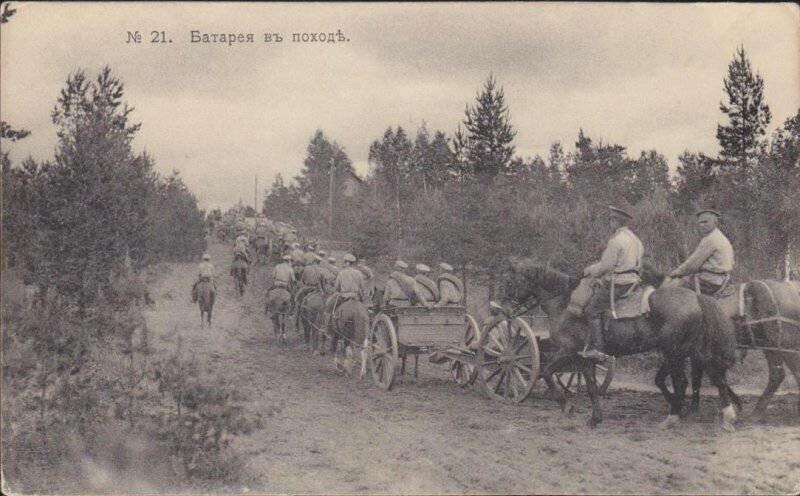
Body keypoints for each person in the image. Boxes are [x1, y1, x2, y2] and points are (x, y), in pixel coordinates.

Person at [580, 206, 644, 361]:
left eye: (611, 220)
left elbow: (606, 266)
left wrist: (590, 270)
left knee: (592, 310)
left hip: (619, 283)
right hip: (633, 282)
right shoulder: (636, 240)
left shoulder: (616, 240)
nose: (610, 223)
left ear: (616, 222)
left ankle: (598, 349)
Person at [669, 209, 735, 295]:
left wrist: (674, 273)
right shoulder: (721, 237)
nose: (702, 225)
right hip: (723, 279)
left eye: (705, 222)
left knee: (673, 287)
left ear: (715, 223)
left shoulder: (710, 239)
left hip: (710, 281)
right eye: (700, 223)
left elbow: (692, 265)